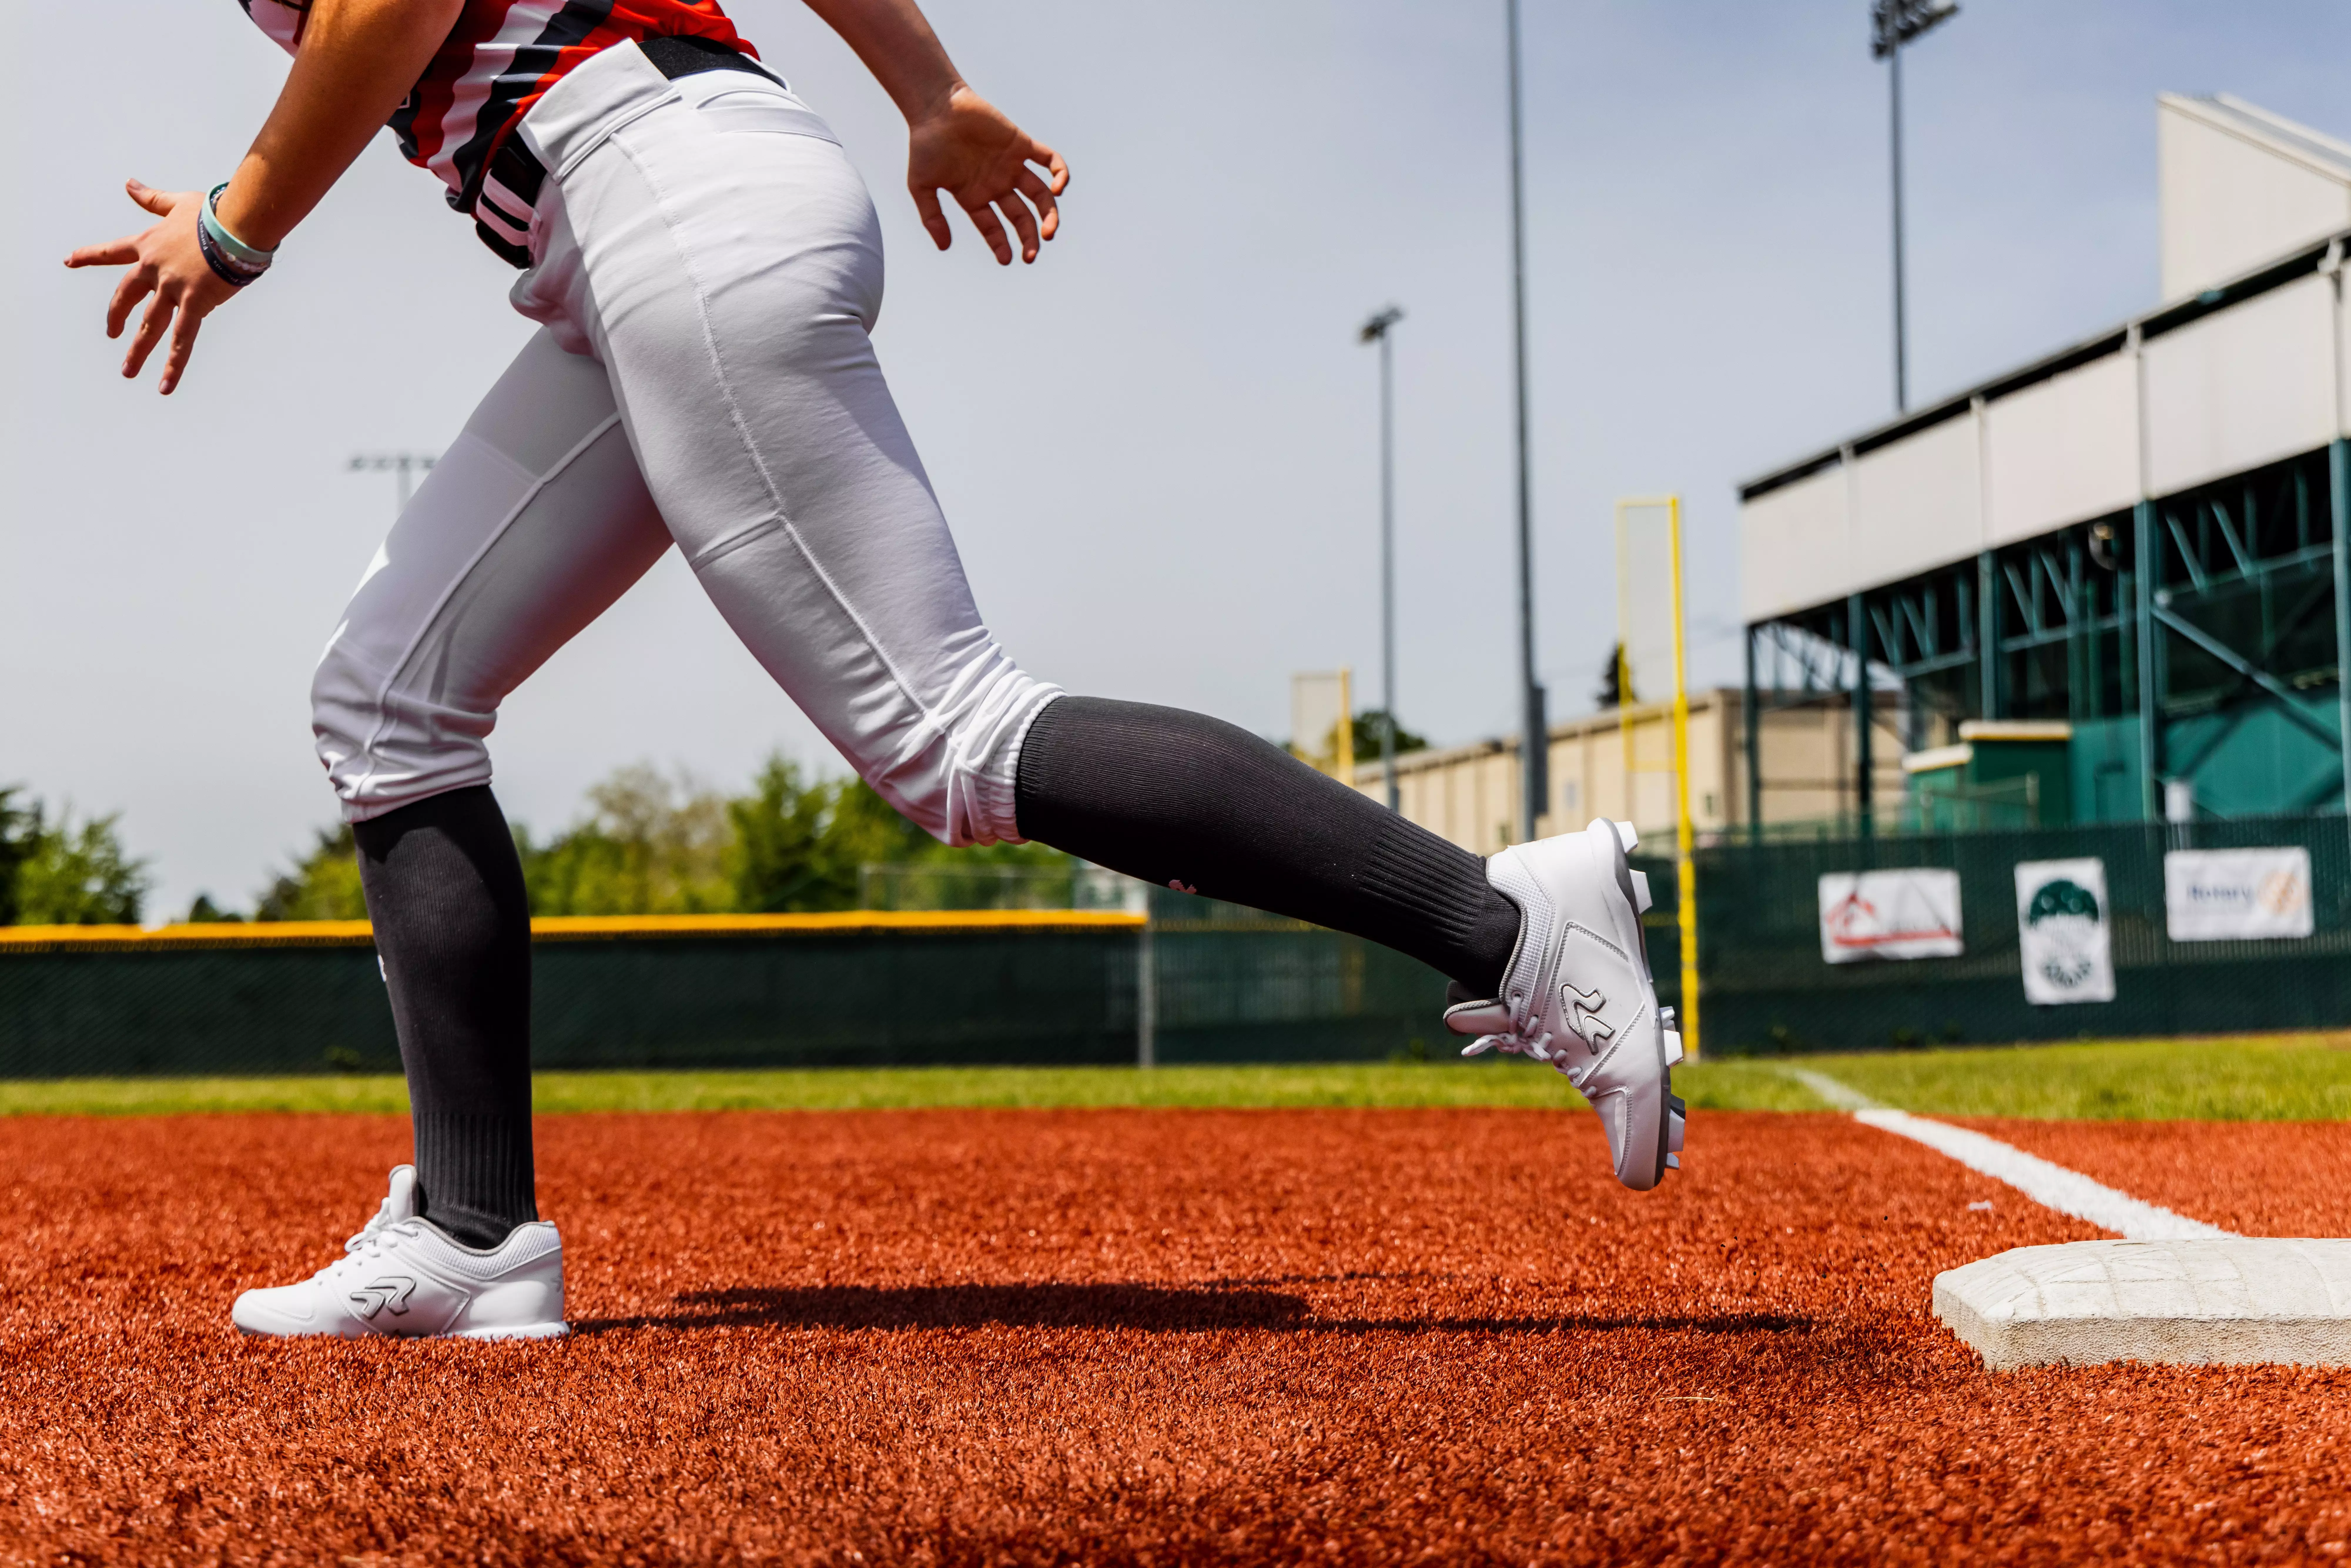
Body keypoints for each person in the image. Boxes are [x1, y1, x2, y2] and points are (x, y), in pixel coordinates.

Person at [68, 0, 1684, 1342]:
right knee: (386, 697)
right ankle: (477, 1230)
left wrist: (236, 219)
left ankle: (1512, 923)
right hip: (646, 203)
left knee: (953, 736)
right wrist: (929, 92)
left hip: (662, 196)